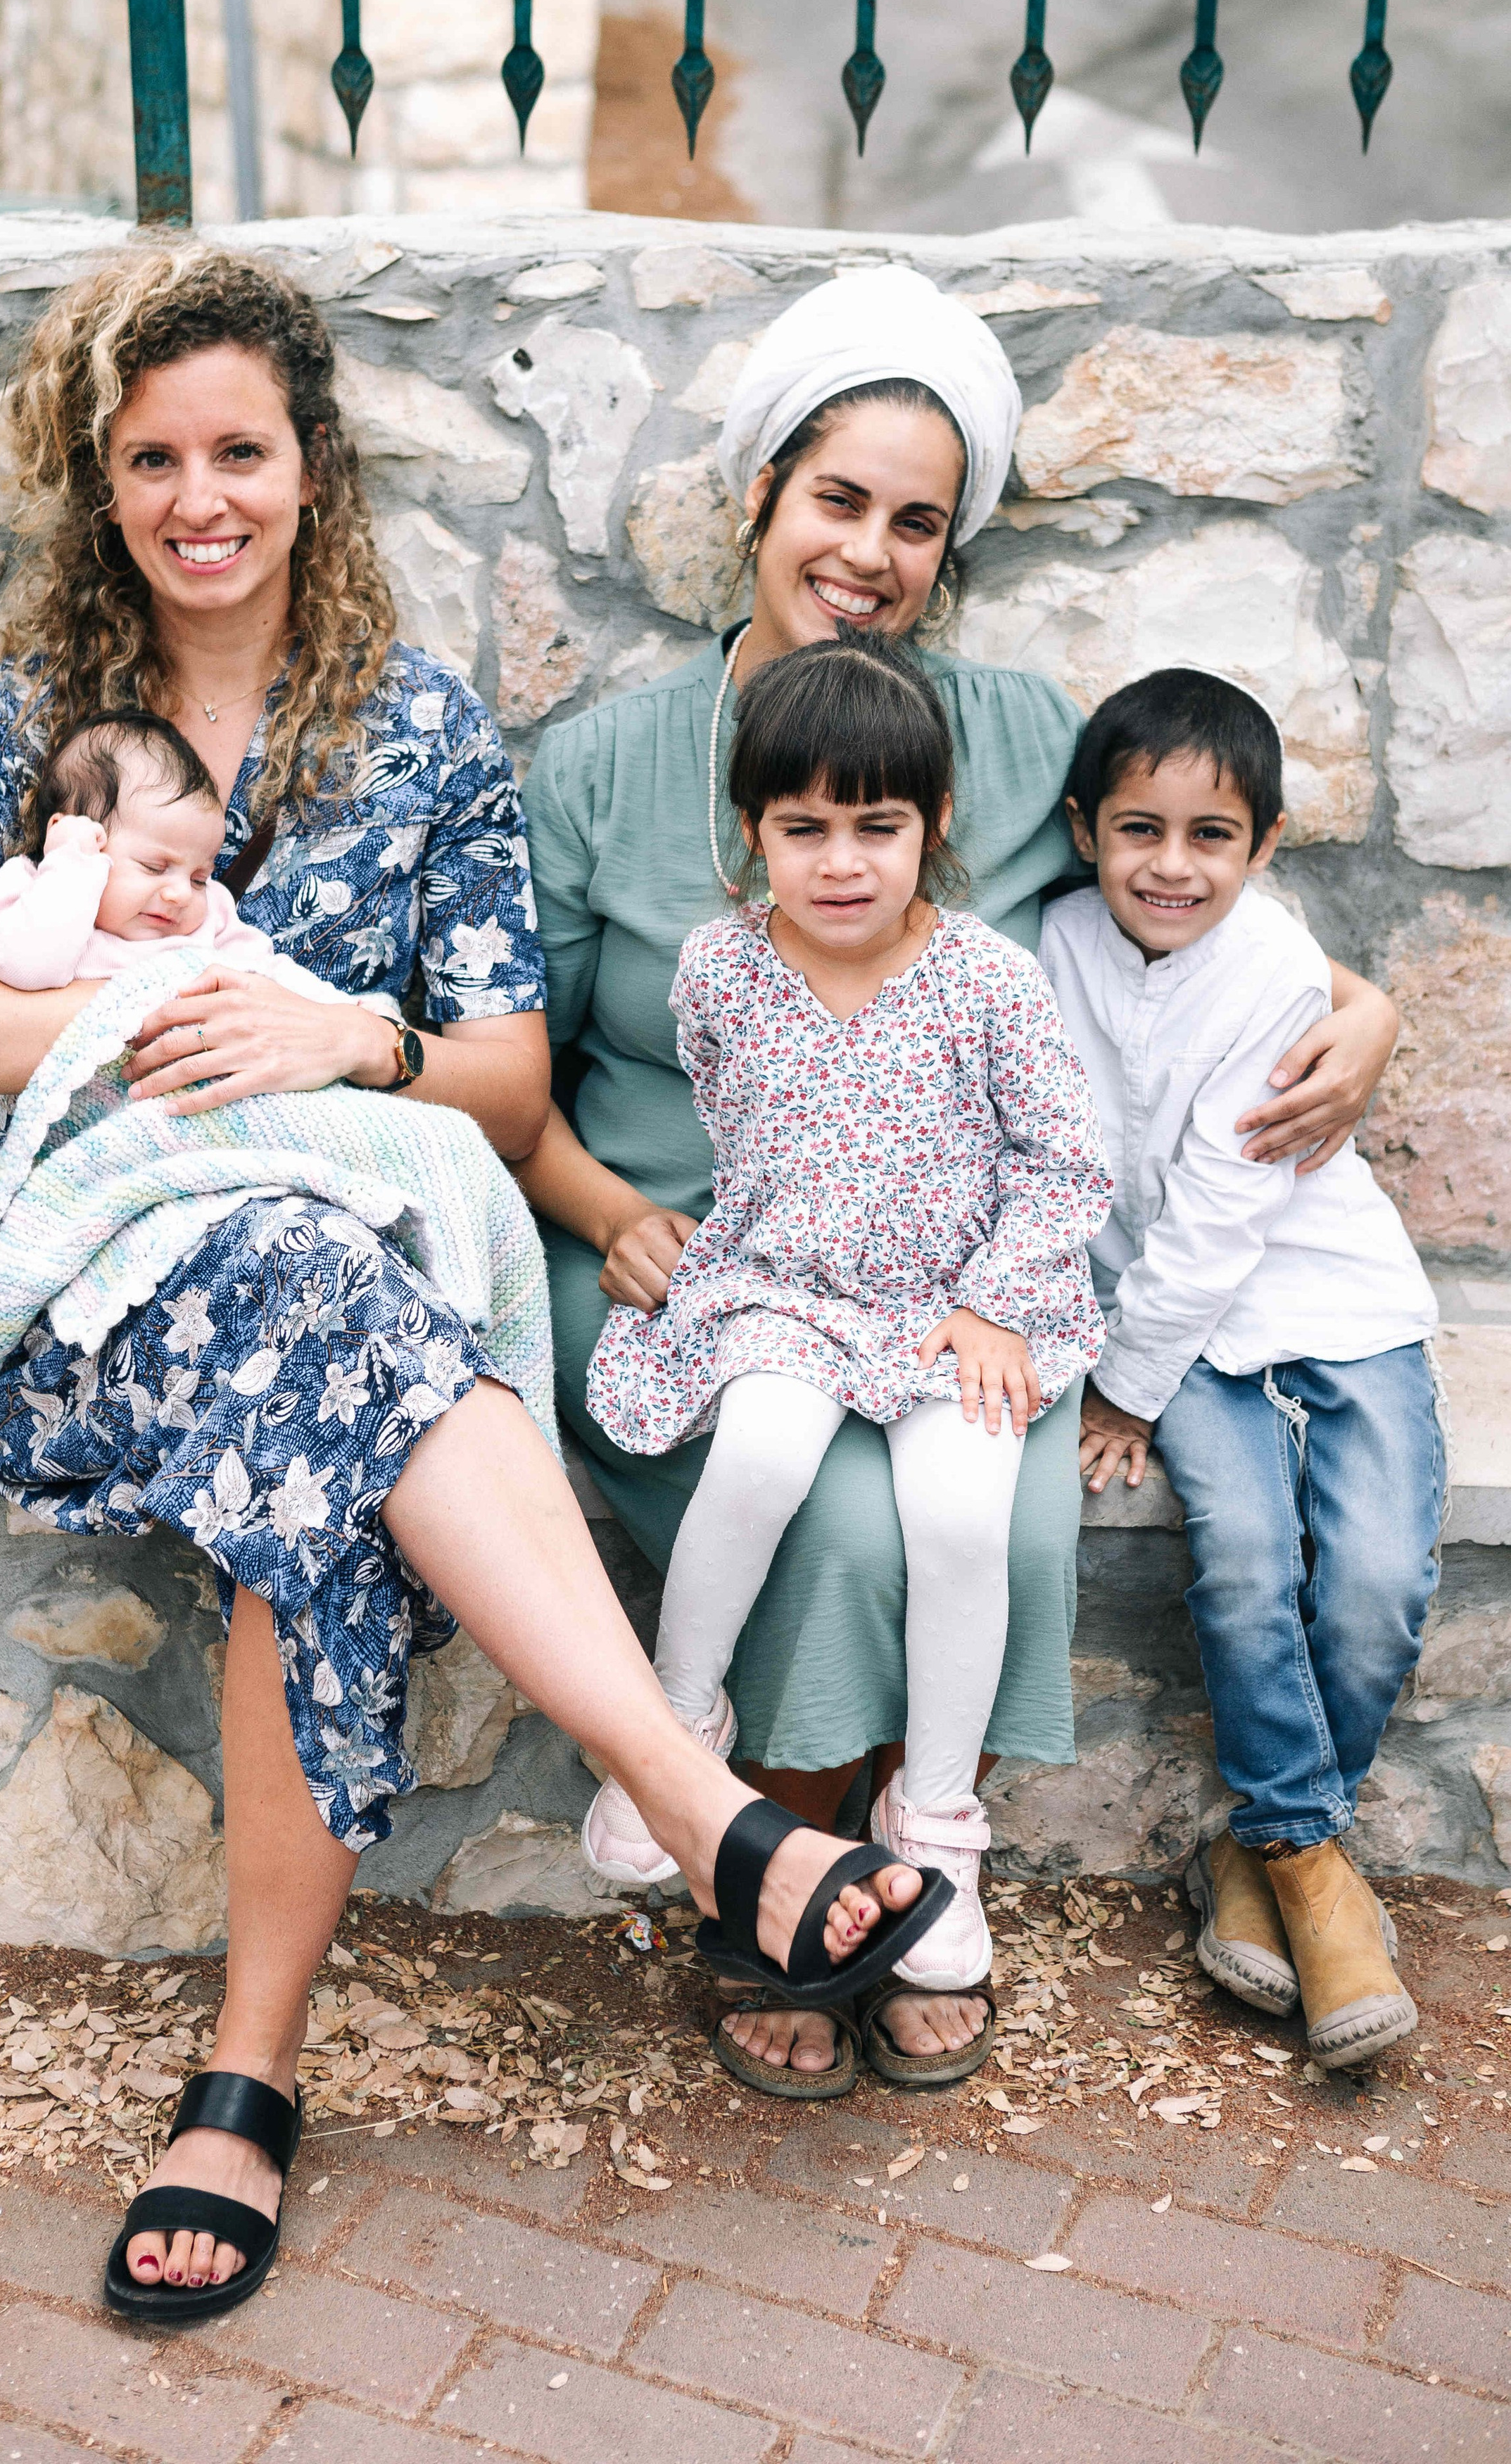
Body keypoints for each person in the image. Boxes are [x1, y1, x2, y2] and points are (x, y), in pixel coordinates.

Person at [0, 241, 938, 2320]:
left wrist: (342, 1037)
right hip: (65, 1276)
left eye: (238, 451)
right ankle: (688, 1798)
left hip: (312, 1282)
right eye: (152, 459)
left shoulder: (417, 727)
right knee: (330, 1322)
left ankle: (244, 2080)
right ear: (103, 484)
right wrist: (162, 1017)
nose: (198, 498)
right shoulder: (18, 719)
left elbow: (504, 1076)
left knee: (320, 1402)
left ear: (311, 465)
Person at [518, 265, 1405, 2095]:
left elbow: (1179, 881)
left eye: (915, 523)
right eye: (837, 499)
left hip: (951, 1252)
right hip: (676, 1249)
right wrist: (605, 1211)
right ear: (759, 498)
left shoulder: (1008, 734)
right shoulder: (602, 763)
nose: (868, 552)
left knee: (975, 1492)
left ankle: (920, 1858)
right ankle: (771, 1875)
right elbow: (504, 1069)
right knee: (824, 1510)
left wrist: (1358, 1001)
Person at [579, 634, 1111, 2051]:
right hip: (789, 1286)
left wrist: (993, 1300)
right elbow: (739, 1123)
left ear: (935, 824)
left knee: (961, 1517)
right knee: (758, 1453)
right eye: (801, 827)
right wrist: (787, 1251)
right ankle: (672, 1736)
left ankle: (933, 1823)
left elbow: (1064, 1163)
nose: (839, 862)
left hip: (952, 1304)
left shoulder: (987, 980)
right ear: (750, 833)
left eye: (876, 825)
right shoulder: (720, 969)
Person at [1046, 670, 1441, 2071]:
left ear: (1263, 845)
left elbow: (1224, 1207)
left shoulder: (1276, 968)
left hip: (1329, 1297)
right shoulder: (1052, 947)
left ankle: (1263, 1846)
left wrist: (1120, 1391)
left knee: (1379, 1580)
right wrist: (1135, 1368)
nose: (1172, 864)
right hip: (1187, 1336)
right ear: (1085, 829)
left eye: (1210, 835)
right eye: (1138, 829)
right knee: (1244, 1564)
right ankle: (1308, 1867)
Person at [0, 706, 396, 1016]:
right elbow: (29, 969)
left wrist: (343, 1010)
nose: (180, 894)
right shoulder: (32, 890)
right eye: (154, 867)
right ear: (72, 833)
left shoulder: (211, 917)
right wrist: (70, 863)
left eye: (198, 878)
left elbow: (269, 976)